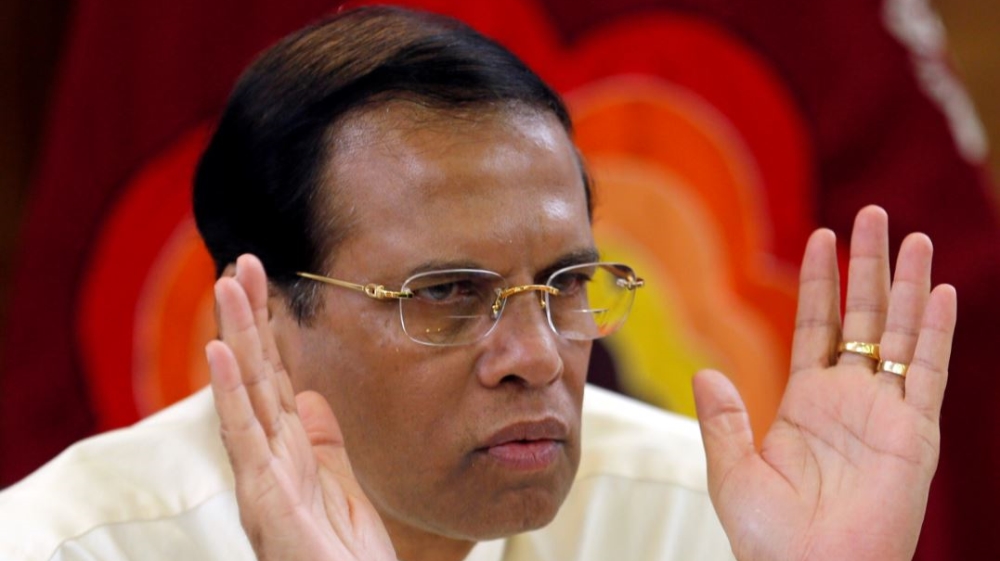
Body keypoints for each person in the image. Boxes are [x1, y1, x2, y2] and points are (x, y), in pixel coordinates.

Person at [0, 5, 956, 561]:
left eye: (568, 282)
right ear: (266, 320)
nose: (538, 357)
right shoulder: (69, 545)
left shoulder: (708, 517)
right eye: (449, 295)